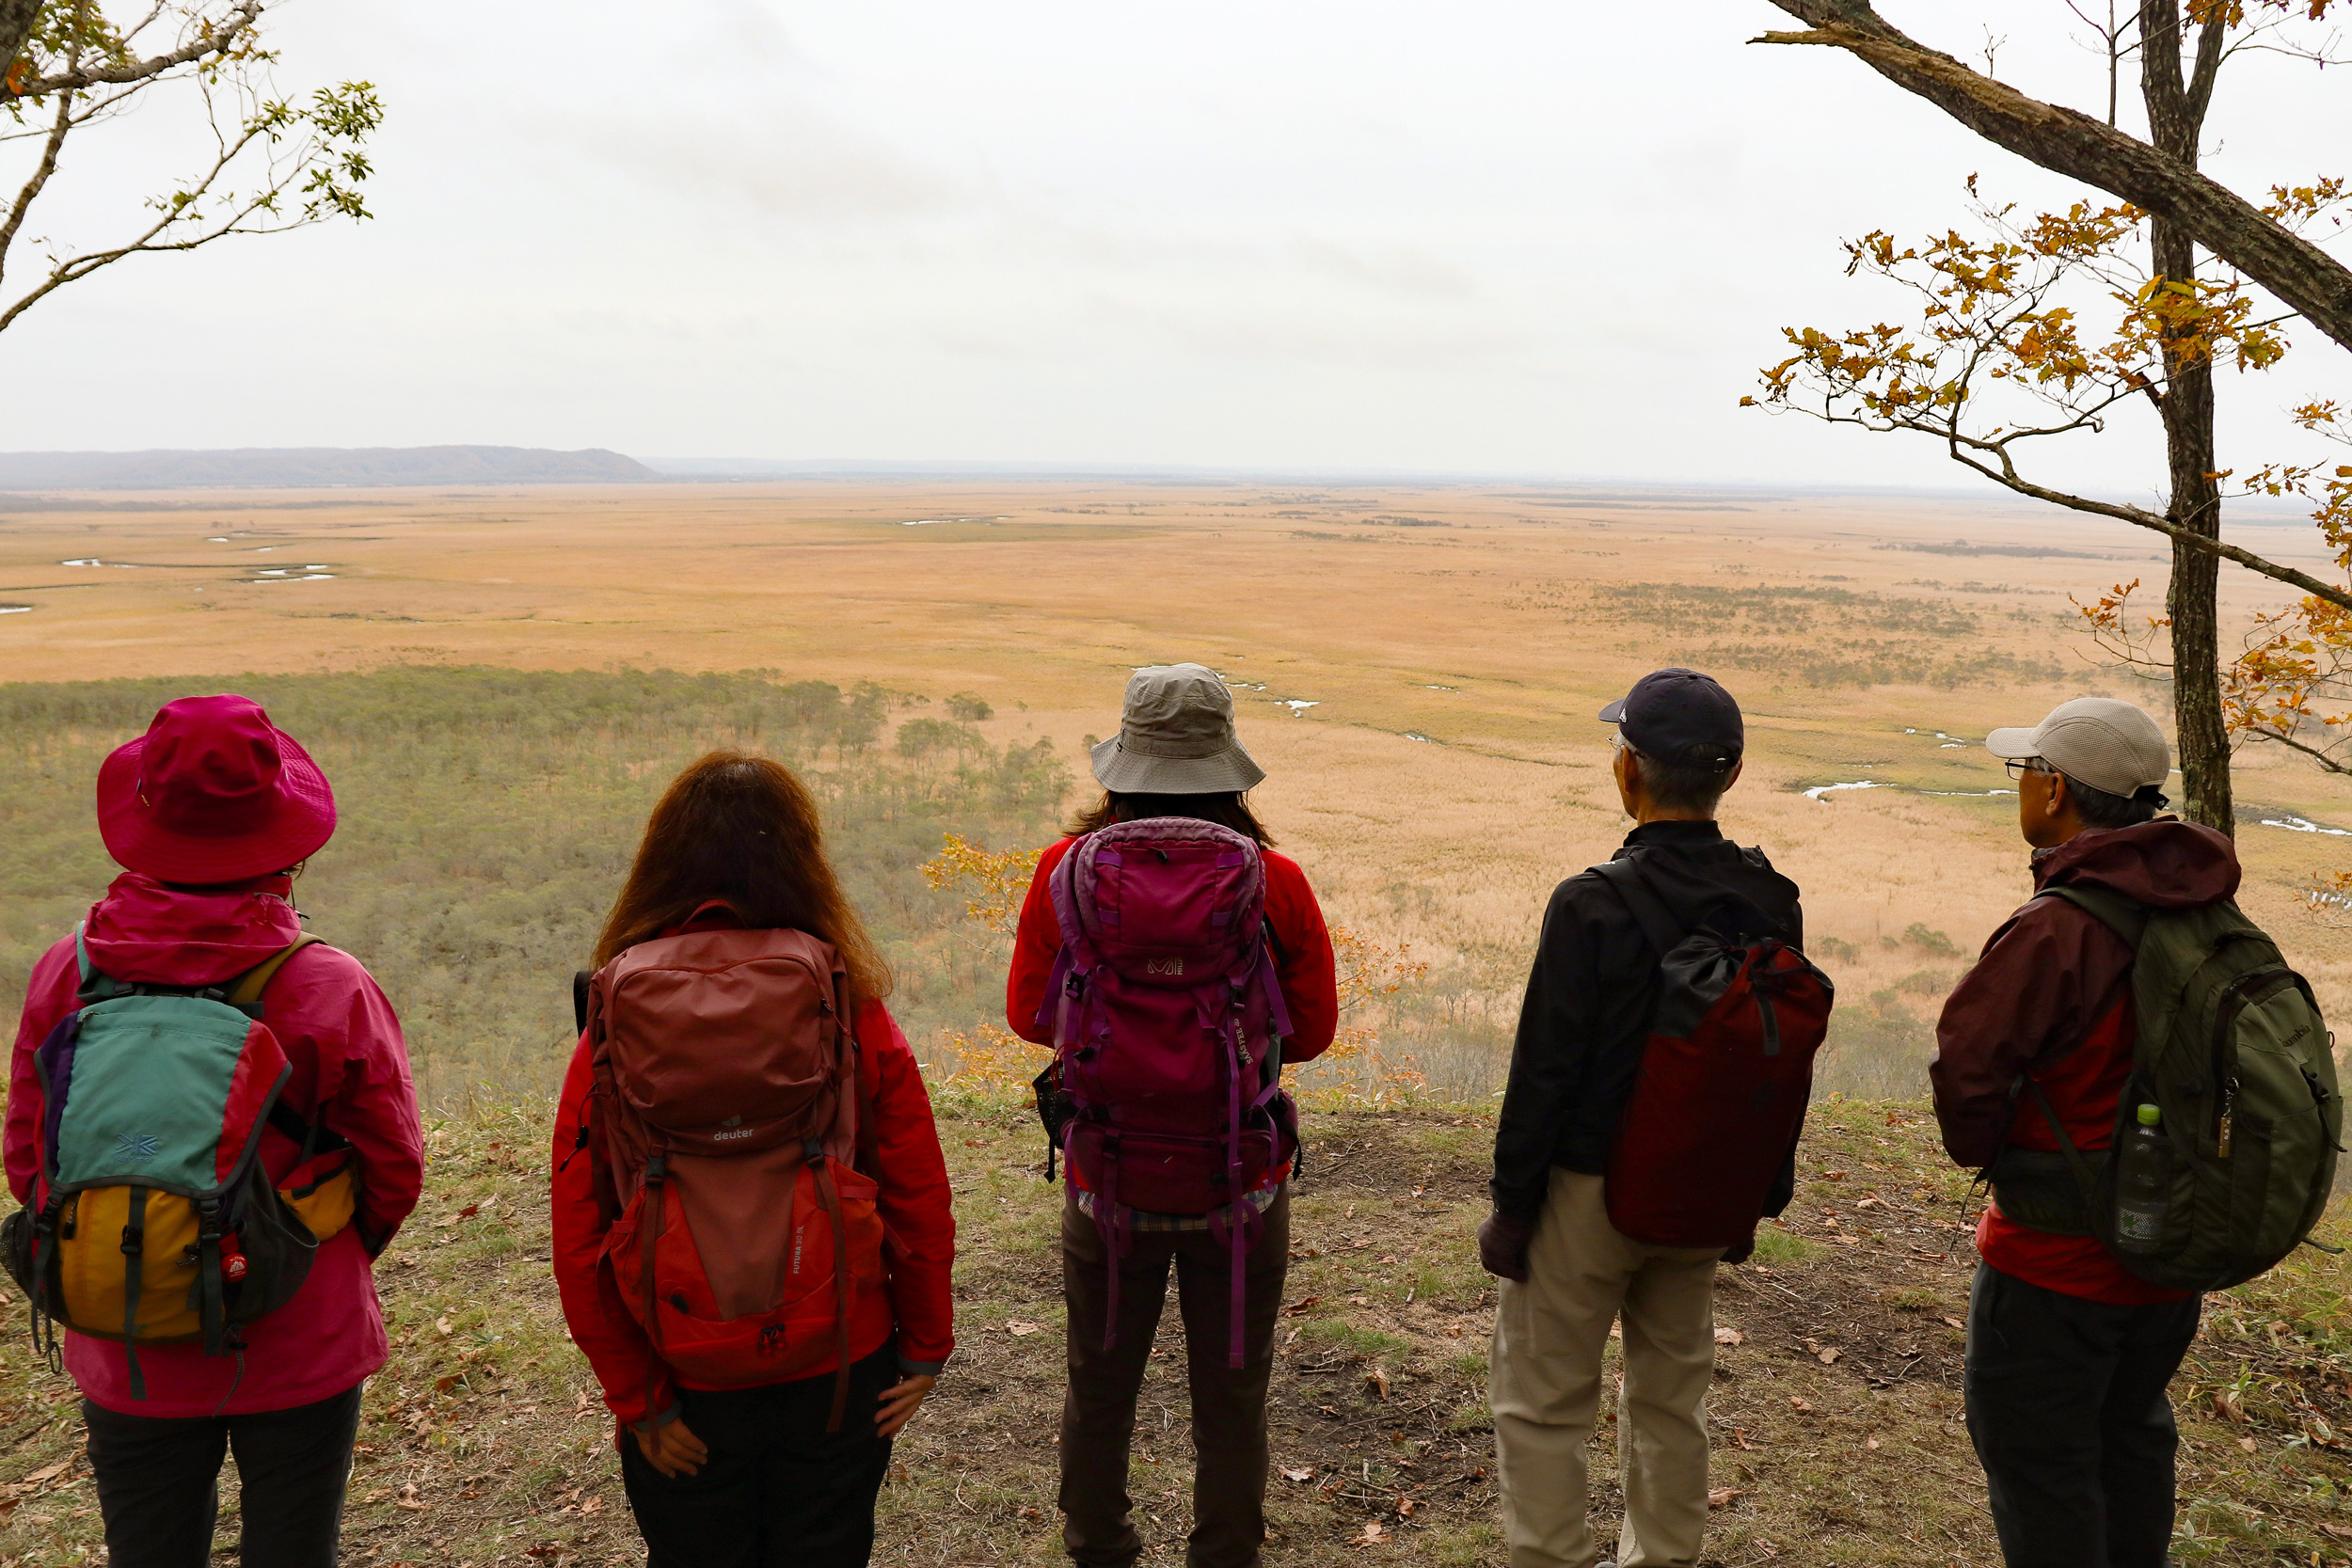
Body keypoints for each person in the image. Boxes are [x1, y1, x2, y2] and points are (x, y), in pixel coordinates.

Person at [4, 693, 425, 1568]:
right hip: (299, 1326)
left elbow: (27, 1153)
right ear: (286, 842)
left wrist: (130, 1241)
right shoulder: (329, 983)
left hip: (126, 1320)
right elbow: (395, 1165)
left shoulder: (65, 971)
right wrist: (314, 1251)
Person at [550, 751, 956, 1568]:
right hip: (840, 1357)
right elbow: (915, 1186)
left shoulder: (614, 1017)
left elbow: (581, 1226)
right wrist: (923, 1343)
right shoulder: (845, 1001)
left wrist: (639, 1396)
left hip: (682, 1366)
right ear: (799, 859)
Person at [1006, 663, 1337, 1568]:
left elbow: (1030, 1014)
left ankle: (1100, 1546)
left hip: (1106, 1176)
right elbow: (1311, 1033)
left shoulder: (1064, 872)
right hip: (1240, 1180)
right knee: (1233, 1395)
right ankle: (1225, 1553)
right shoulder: (1276, 880)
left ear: (1125, 764)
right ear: (1226, 766)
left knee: (1098, 1384)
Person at [1480, 668, 1804, 1568]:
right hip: (1701, 1185)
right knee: (1671, 1399)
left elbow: (1544, 1071)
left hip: (1585, 1193)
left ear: (1628, 769)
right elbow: (1779, 1059)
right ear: (1731, 775)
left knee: (1543, 1401)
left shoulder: (1589, 901)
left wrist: (1512, 1206)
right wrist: (1756, 1193)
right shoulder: (1772, 897)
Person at [1932, 698, 2223, 1567]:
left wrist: (2000, 1155)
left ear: (2056, 790)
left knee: (2042, 1468)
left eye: (2026, 770)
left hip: (2052, 1263)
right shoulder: (2203, 909)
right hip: (2168, 1251)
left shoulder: (2057, 926)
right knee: (2132, 1440)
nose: (2021, 786)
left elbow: (1966, 1075)